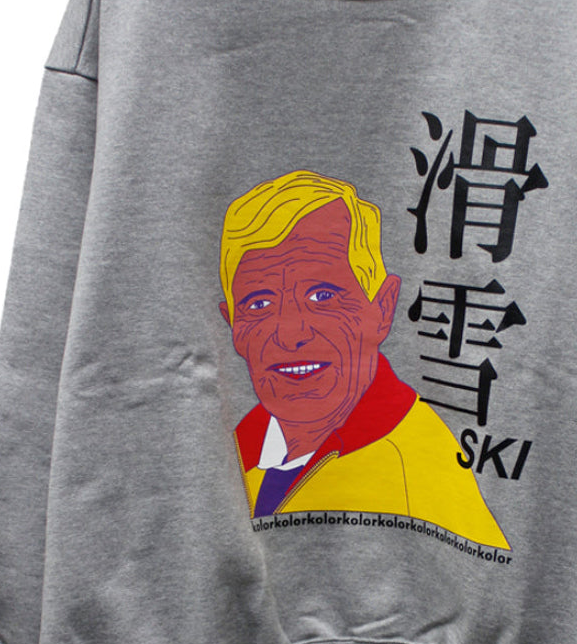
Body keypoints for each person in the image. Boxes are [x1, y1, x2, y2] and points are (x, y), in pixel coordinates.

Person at [218, 169, 510, 549]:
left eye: (322, 296)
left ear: (382, 309)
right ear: (232, 324)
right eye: (259, 304)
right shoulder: (236, 445)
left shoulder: (415, 468)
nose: (290, 334)